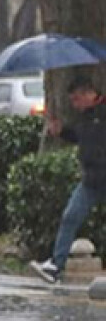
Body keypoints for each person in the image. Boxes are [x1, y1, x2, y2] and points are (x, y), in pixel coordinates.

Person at [31, 77, 106, 283]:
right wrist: (61, 131)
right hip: (91, 180)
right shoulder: (85, 116)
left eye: (77, 99)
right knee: (71, 216)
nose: (75, 105)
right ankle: (57, 263)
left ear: (89, 94)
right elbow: (81, 137)